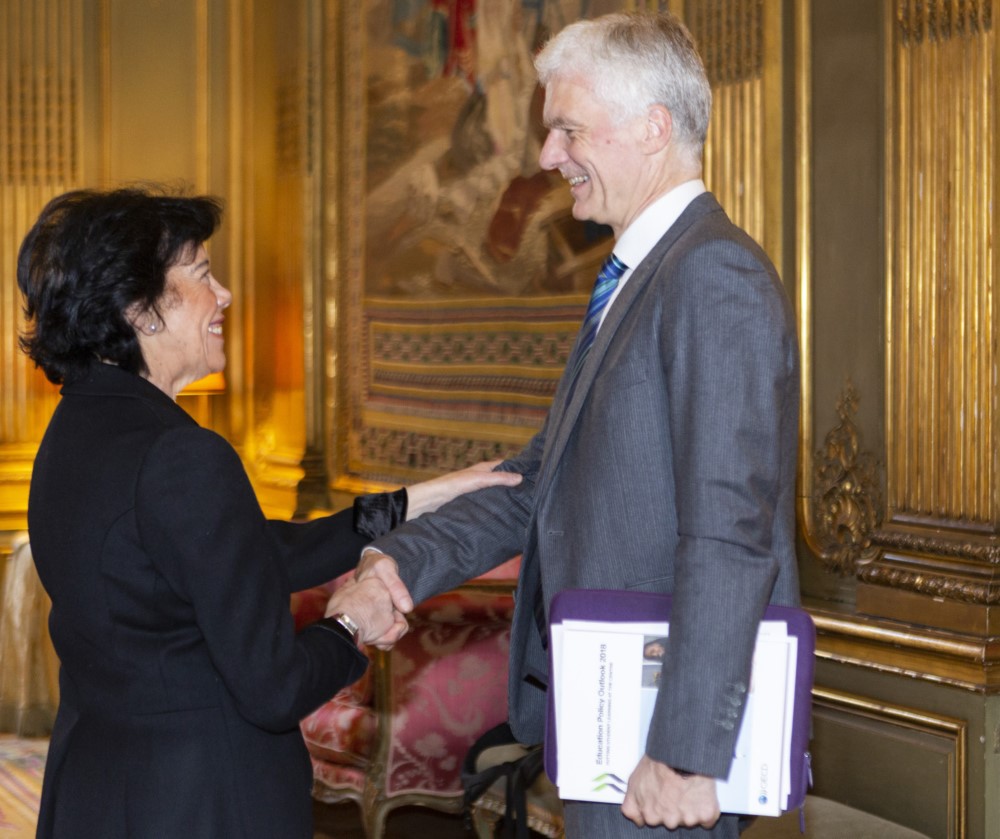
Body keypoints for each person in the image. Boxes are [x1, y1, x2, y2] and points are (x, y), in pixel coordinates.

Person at [357, 11, 800, 838]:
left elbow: (729, 533)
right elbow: (539, 485)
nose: (547, 157)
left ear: (653, 128)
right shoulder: (639, 277)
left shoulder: (713, 276)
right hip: (609, 730)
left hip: (661, 754)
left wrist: (685, 752)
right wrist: (400, 561)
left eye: (567, 128)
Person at [16, 186, 521, 839]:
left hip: (102, 791)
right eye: (201, 275)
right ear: (140, 309)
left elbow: (234, 558)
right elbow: (273, 686)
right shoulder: (183, 456)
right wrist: (354, 621)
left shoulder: (74, 433)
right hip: (207, 800)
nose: (224, 294)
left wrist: (412, 501)